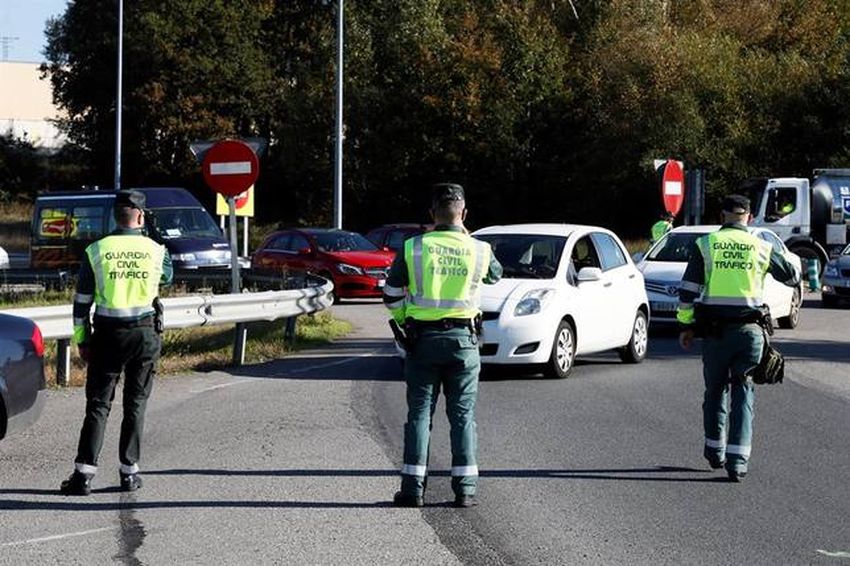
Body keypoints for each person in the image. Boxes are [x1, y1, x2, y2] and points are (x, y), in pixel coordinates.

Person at [383, 183, 502, 508]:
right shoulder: (479, 248)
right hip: (464, 342)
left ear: (431, 214)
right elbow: (496, 276)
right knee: (462, 417)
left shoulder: (413, 247)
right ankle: (464, 491)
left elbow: (391, 295)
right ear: (464, 214)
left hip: (422, 340)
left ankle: (412, 490)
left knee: (419, 414)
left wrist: (407, 318)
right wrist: (466, 233)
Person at [677, 194, 799, 482]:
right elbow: (792, 277)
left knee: (715, 392)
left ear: (722, 216)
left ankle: (714, 452)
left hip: (716, 334)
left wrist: (686, 327)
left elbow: (687, 292)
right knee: (744, 395)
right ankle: (738, 462)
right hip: (750, 334)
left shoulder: (706, 245)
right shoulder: (761, 247)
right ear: (750, 218)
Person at [60, 190, 173, 495]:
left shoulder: (96, 250)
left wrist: (82, 341)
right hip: (145, 334)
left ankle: (83, 475)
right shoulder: (156, 250)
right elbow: (167, 278)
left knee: (98, 404)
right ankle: (129, 472)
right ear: (140, 215)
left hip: (107, 335)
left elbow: (81, 303)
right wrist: (149, 234)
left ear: (114, 215)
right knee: (135, 403)